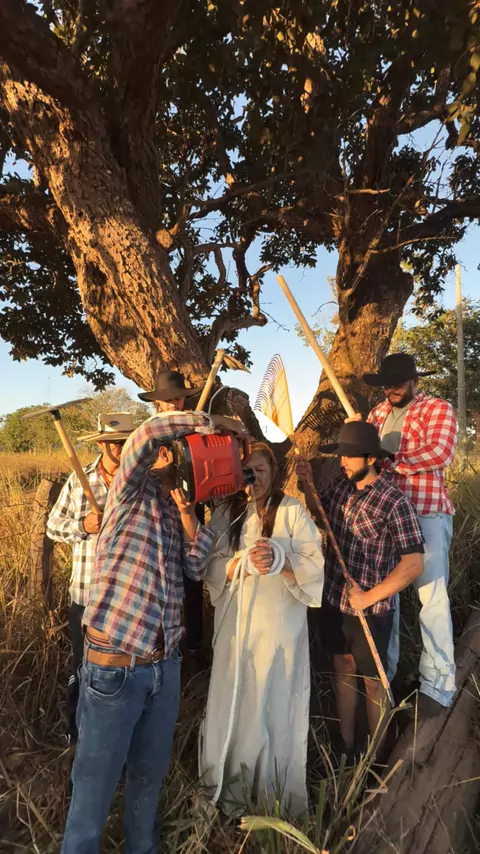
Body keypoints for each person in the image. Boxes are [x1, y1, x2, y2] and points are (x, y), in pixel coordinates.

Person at [60, 409, 246, 854]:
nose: (166, 453)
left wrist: (187, 513)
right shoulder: (126, 493)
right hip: (116, 667)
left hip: (163, 666)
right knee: (95, 784)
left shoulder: (171, 507)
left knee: (148, 777)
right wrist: (213, 422)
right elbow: (148, 432)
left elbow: (195, 567)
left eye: (172, 451)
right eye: (163, 449)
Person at [200, 442, 325, 817]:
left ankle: (272, 795)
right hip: (236, 628)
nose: (254, 477)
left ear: (274, 474)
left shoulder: (291, 510)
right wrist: (239, 562)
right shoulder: (227, 513)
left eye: (261, 470)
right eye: (247, 471)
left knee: (273, 700)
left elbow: (315, 563)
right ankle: (228, 790)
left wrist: (280, 559)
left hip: (278, 628)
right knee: (233, 699)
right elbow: (208, 564)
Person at [297, 422, 424, 758]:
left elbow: (413, 563)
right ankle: (346, 747)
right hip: (334, 598)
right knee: (342, 667)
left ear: (370, 458)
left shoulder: (394, 502)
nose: (342, 463)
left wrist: (369, 596)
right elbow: (320, 514)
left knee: (373, 681)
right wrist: (308, 486)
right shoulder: (342, 484)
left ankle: (377, 756)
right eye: (341, 456)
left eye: (349, 456)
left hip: (372, 610)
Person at [362, 353, 458, 716]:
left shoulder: (437, 408)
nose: (392, 389)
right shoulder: (375, 414)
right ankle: (386, 677)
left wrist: (392, 462)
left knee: (431, 597)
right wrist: (361, 440)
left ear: (414, 381)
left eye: (398, 382)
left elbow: (440, 453)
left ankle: (439, 684)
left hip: (426, 511)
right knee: (389, 598)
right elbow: (365, 453)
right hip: (387, 515)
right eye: (387, 383)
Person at [47, 412, 135, 743]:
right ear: (101, 444)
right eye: (113, 442)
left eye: (125, 441)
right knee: (82, 667)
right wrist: (83, 525)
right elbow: (53, 526)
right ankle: (76, 734)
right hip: (87, 595)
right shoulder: (79, 480)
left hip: (125, 598)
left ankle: (115, 736)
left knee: (122, 672)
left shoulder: (138, 480)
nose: (119, 447)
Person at [138, 370, 205, 655]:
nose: (175, 403)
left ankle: (193, 647)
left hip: (190, 504)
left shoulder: (195, 432)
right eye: (169, 400)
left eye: (178, 399)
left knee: (192, 580)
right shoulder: (148, 436)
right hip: (156, 508)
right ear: (158, 403)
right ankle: (156, 645)